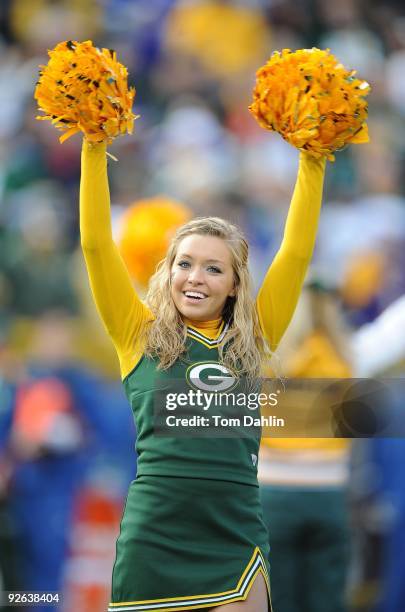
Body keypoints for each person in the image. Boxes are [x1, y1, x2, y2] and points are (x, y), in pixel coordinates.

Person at [79, 136, 326, 612]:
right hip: (155, 534)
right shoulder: (137, 334)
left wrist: (312, 160)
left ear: (234, 286)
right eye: (184, 263)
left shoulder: (254, 340)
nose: (195, 277)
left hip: (233, 533)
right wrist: (93, 146)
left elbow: (295, 254)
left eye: (214, 269)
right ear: (167, 271)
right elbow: (94, 244)